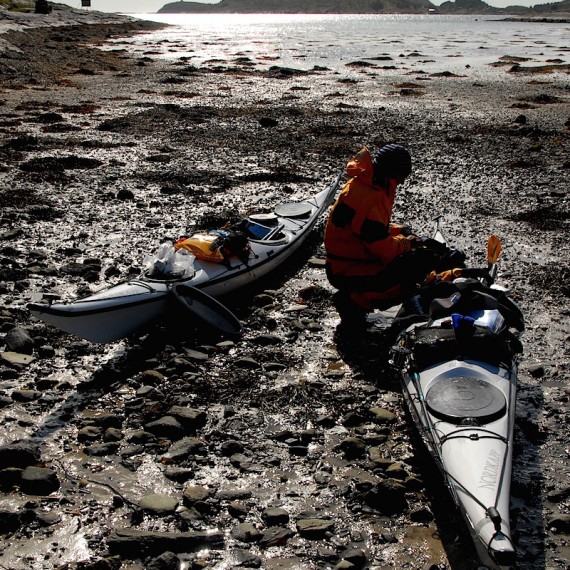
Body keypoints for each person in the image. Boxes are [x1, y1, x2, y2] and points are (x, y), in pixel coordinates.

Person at [324, 144, 462, 328]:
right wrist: (407, 244)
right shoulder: (374, 196)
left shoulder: (365, 184)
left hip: (345, 261)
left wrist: (400, 231)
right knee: (409, 274)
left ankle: (359, 298)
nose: (402, 182)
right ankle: (354, 301)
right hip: (347, 270)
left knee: (414, 258)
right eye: (402, 177)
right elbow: (383, 249)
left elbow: (364, 229)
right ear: (394, 173)